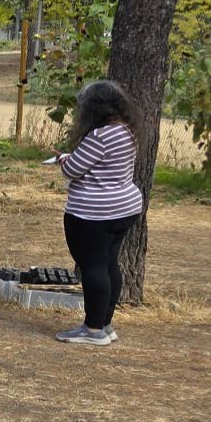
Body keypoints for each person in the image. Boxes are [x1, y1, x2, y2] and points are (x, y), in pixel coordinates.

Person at [46, 80, 145, 346]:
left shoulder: (100, 136)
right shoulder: (128, 130)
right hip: (125, 207)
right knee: (110, 264)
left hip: (93, 213)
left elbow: (72, 170)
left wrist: (63, 159)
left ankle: (92, 330)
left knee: (93, 267)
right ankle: (104, 324)